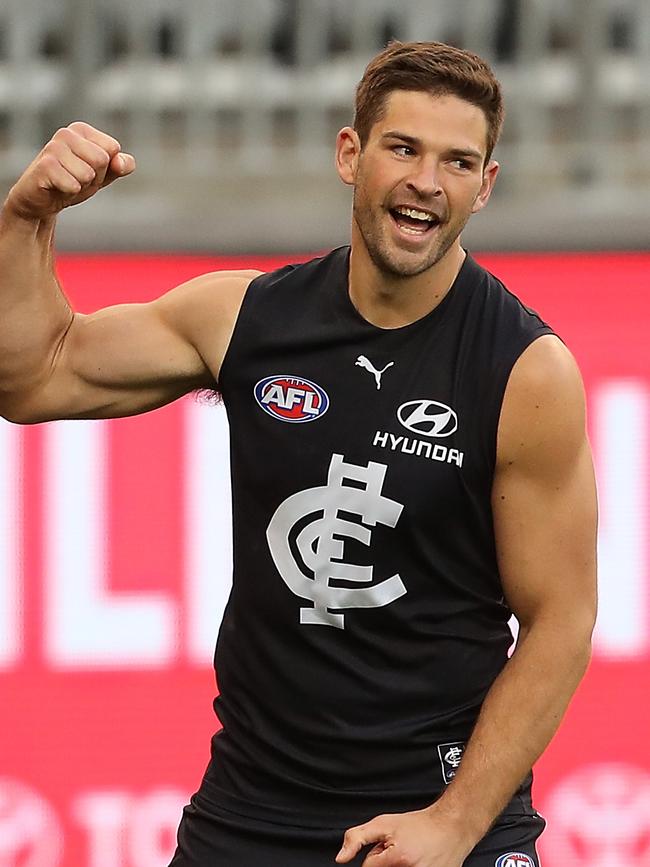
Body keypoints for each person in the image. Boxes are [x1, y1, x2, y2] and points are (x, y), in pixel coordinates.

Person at [0, 41, 597, 867]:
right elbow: (31, 376)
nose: (429, 180)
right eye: (404, 148)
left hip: (439, 811)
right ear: (350, 155)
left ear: (485, 185)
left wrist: (454, 824)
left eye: (458, 160)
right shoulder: (245, 316)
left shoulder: (526, 369)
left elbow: (561, 622)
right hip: (253, 808)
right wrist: (26, 219)